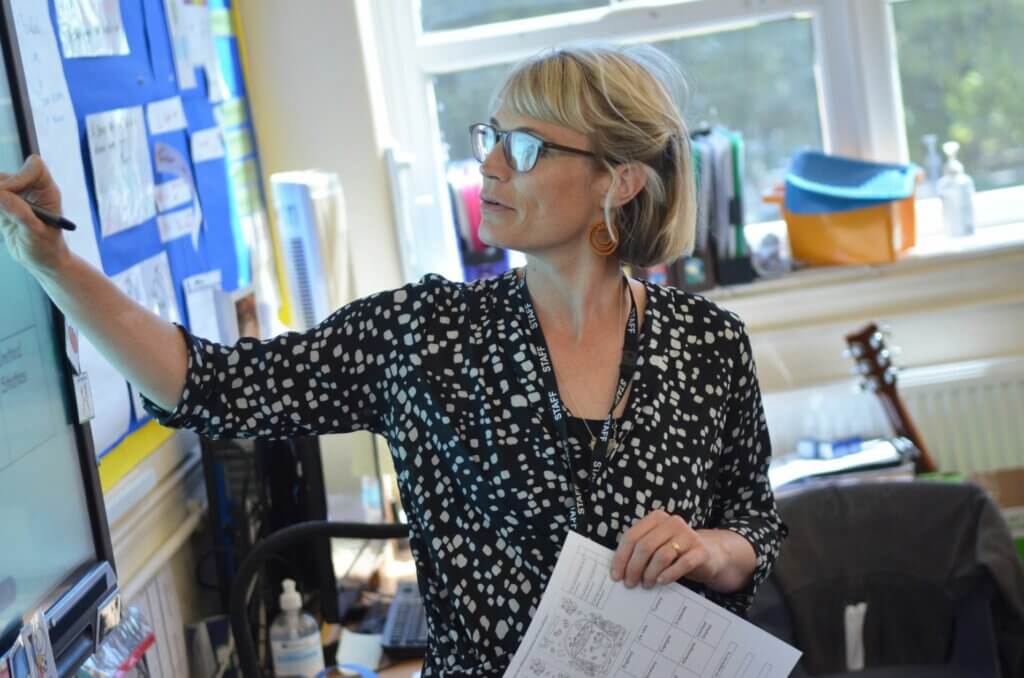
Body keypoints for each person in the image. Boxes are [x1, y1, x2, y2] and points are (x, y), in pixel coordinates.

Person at [0, 44, 786, 677]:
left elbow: (753, 519)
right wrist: (54, 264)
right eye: (490, 138)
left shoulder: (709, 345)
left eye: (524, 146)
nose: (489, 167)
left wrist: (713, 548)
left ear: (619, 181)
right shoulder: (426, 334)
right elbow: (209, 385)